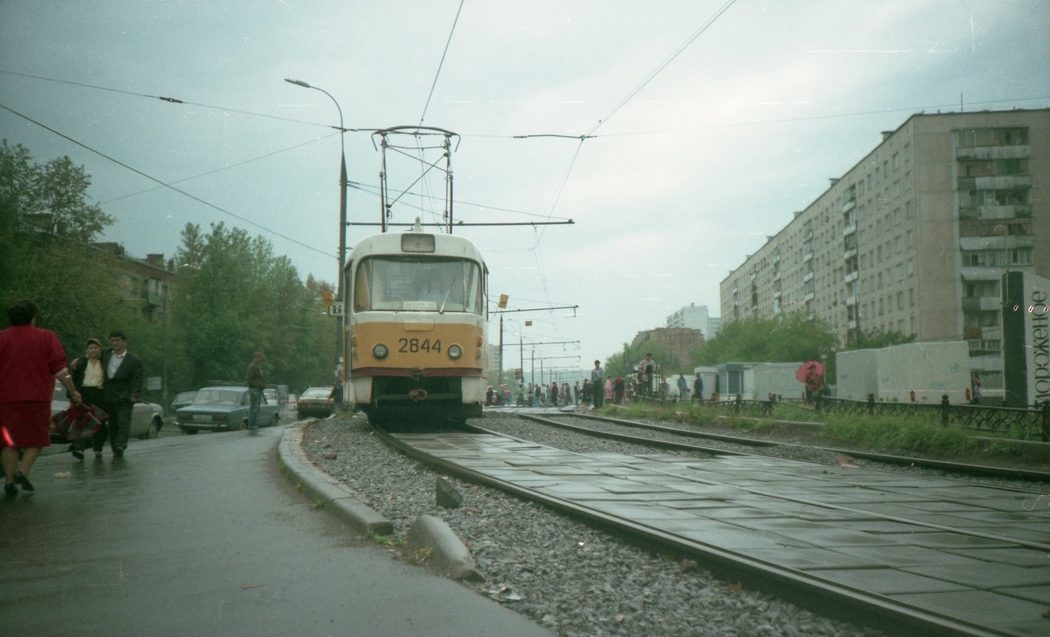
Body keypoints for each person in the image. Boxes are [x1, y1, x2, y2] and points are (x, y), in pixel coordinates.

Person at [0, 300, 82, 495]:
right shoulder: (46, 337)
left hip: (5, 400)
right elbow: (61, 370)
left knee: (8, 441)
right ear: (32, 318)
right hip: (37, 398)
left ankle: (9, 480)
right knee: (37, 438)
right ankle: (23, 470)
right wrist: (73, 390)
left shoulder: (1, 338)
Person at [99, 330, 143, 458]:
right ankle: (115, 446)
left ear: (124, 341)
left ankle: (121, 444)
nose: (115, 343)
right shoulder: (106, 354)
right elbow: (92, 355)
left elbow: (138, 379)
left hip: (125, 395)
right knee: (113, 423)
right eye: (112, 340)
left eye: (118, 340)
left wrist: (135, 394)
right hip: (108, 395)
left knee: (124, 421)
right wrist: (78, 360)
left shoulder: (134, 360)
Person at [69, 337, 106, 459]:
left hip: (100, 394)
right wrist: (73, 394)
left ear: (99, 349)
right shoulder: (81, 362)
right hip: (84, 394)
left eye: (95, 348)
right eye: (90, 348)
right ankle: (79, 448)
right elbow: (74, 379)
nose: (93, 350)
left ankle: (98, 448)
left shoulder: (104, 361)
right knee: (82, 421)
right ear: (86, 350)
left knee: (98, 422)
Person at [246, 351, 265, 432]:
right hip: (254, 389)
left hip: (258, 388)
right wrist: (254, 385)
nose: (260, 360)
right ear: (255, 358)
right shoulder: (252, 366)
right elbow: (248, 378)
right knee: (254, 407)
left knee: (256, 408)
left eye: (260, 358)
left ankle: (253, 424)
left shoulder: (257, 366)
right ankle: (251, 425)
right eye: (259, 358)